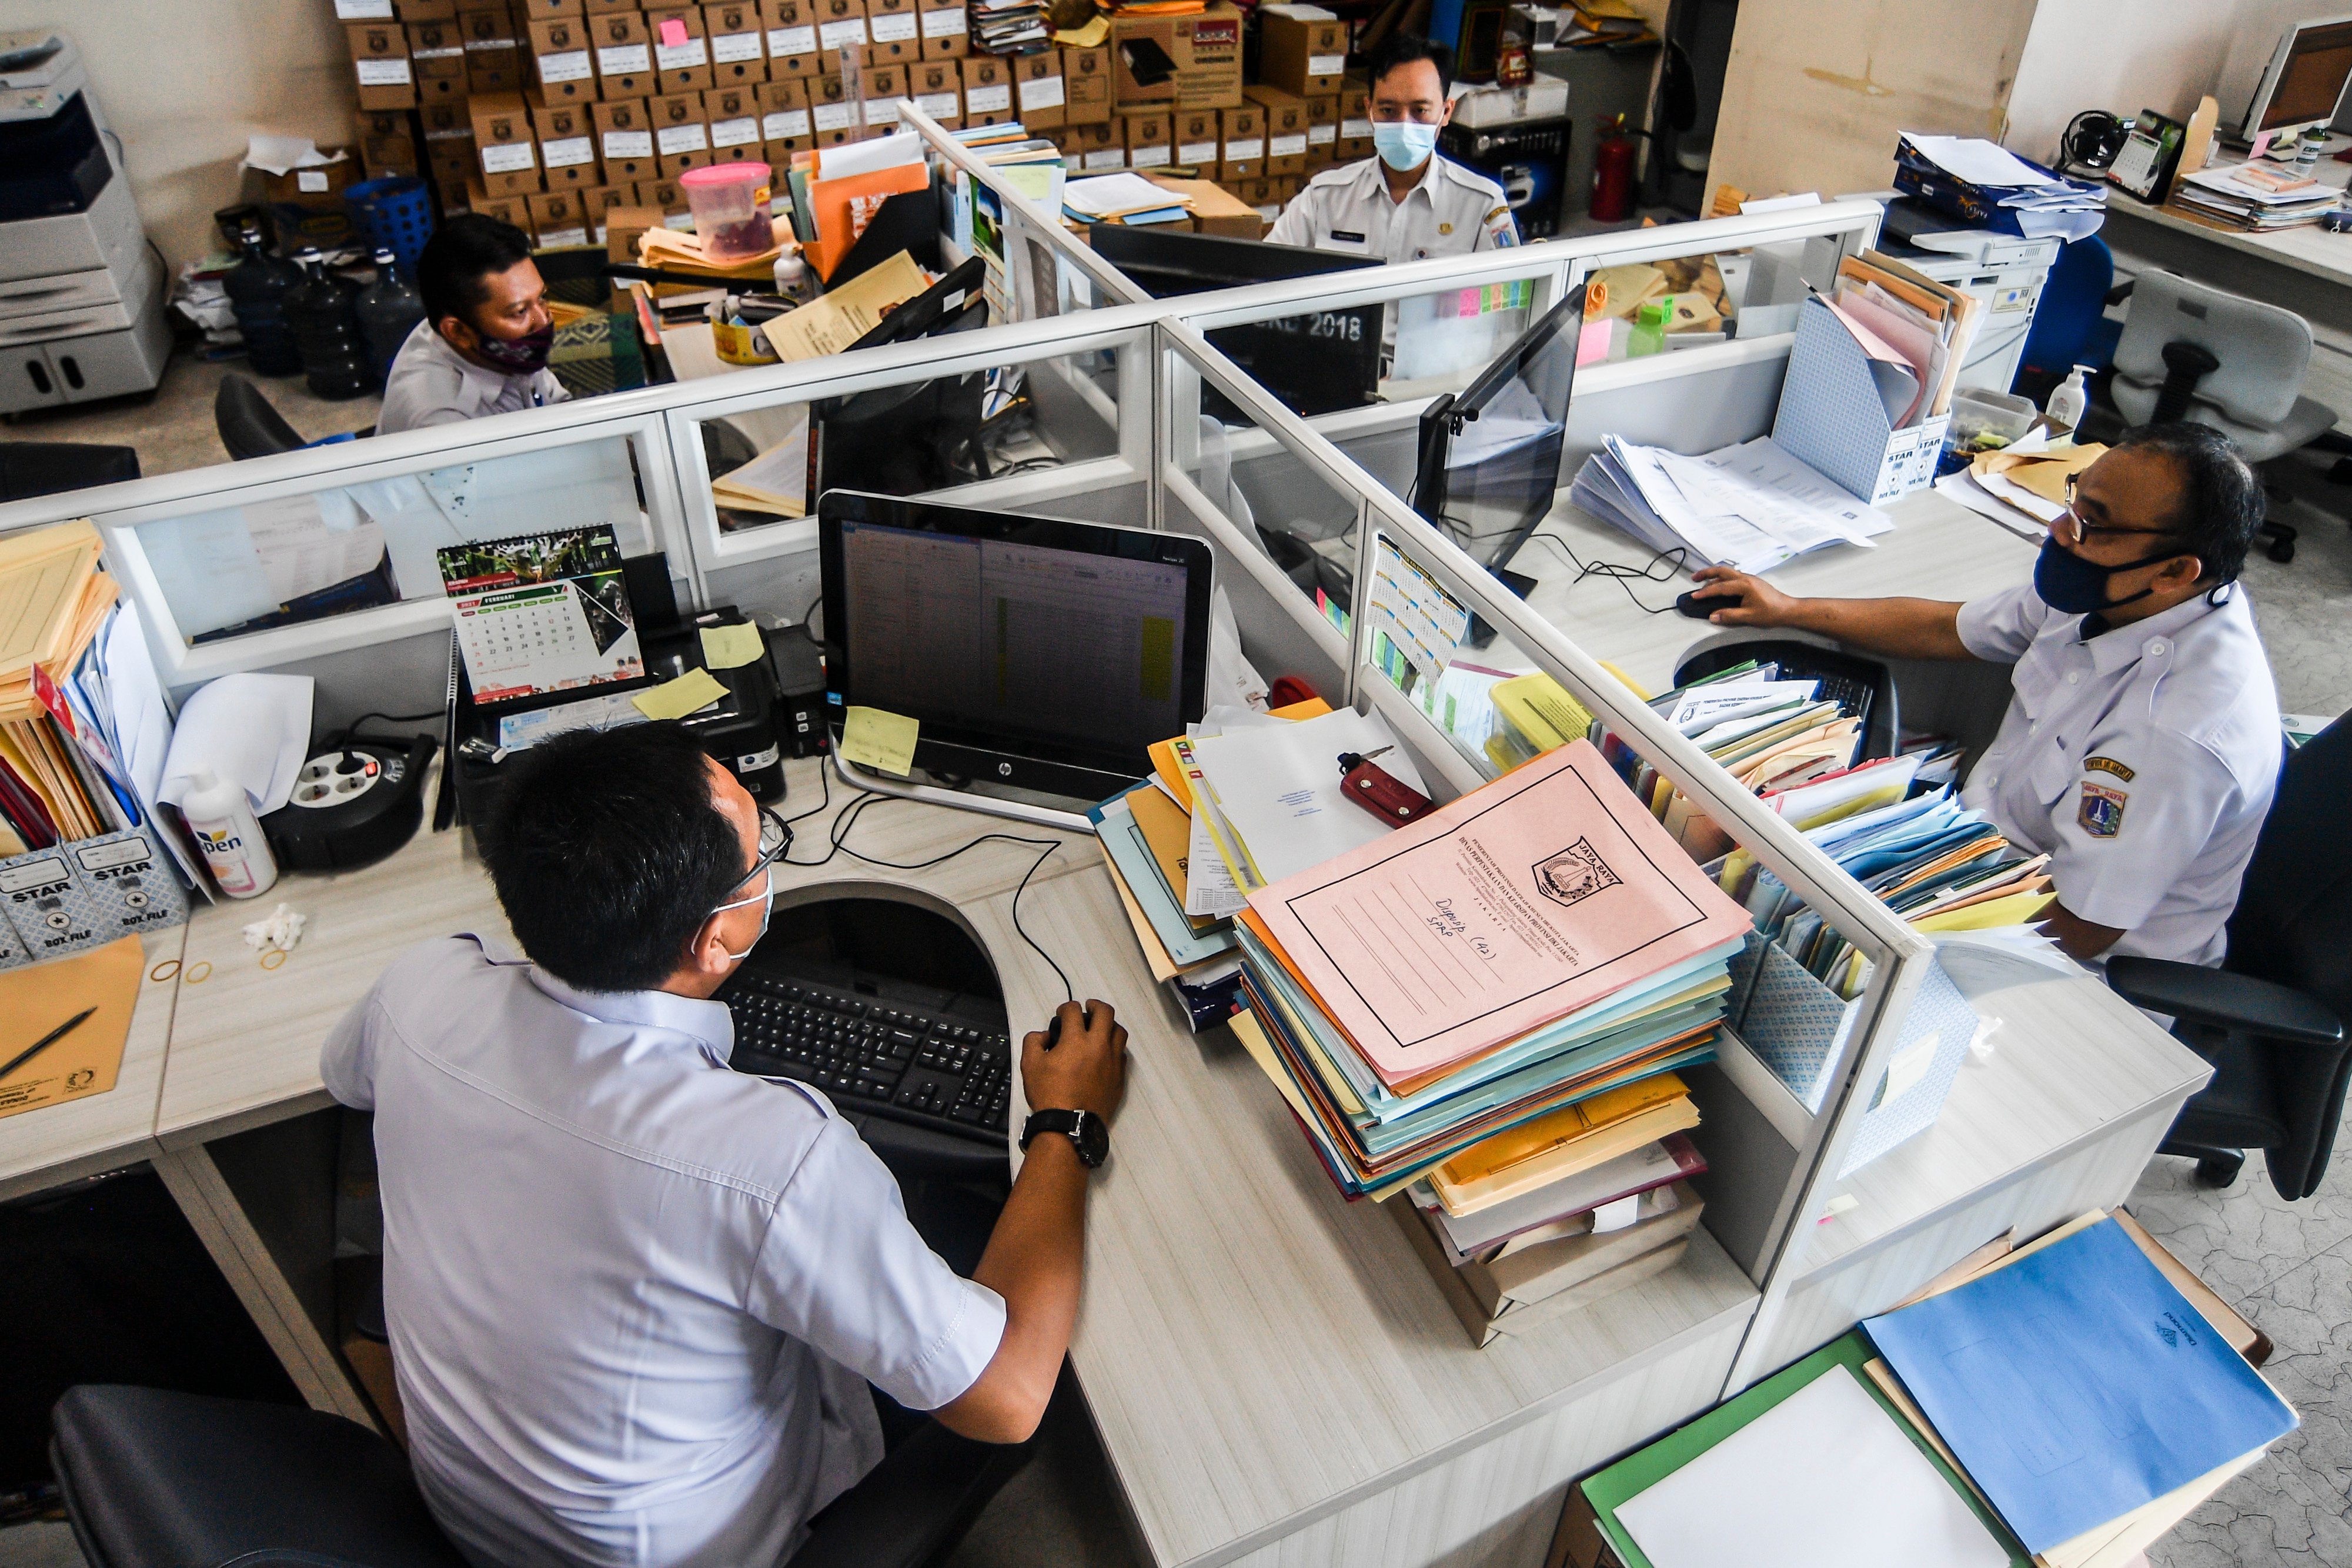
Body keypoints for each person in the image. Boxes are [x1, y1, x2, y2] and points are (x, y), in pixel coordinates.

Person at [320, 722, 1128, 1566]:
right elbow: (1008, 1397)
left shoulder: (419, 988)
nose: (772, 860)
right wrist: (1064, 1119)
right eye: (761, 847)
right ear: (716, 938)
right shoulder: (771, 1160)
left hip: (480, 1520)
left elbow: (347, 1078)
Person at [1687, 423, 2279, 968]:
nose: (2059, 529)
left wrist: (1876, 936)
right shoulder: (2117, 592)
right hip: (1967, 864)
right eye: (2075, 499)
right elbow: (1945, 629)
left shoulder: (2175, 734)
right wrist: (1789, 609)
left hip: (2073, 974)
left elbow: (2079, 926)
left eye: (2092, 522)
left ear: (2175, 571)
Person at [1266, 32, 1519, 263]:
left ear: (1446, 112)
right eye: (1388, 111)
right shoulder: (1324, 198)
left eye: (1420, 111)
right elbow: (1265, 275)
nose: (1404, 124)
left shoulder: (1482, 206)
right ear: (1369, 110)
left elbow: (1509, 299)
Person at [375, 213, 572, 435]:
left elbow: (553, 400)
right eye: (520, 312)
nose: (543, 320)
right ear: (458, 332)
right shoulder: (441, 422)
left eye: (542, 298)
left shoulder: (499, 344)